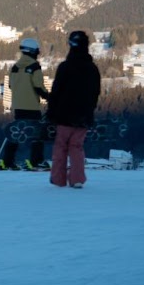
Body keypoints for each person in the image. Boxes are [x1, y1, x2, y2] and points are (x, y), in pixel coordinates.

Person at [46, 29, 101, 189]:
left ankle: (58, 179)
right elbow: (95, 93)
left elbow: (56, 91)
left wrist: (51, 111)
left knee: (61, 146)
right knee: (76, 147)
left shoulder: (65, 67)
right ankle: (77, 178)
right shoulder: (92, 69)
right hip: (83, 116)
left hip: (64, 115)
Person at [0, 37, 51, 170]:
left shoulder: (15, 67)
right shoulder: (35, 66)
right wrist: (50, 98)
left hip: (17, 106)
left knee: (16, 133)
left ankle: (7, 161)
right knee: (37, 133)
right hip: (32, 106)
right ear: (34, 51)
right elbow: (39, 86)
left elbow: (10, 85)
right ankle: (36, 161)